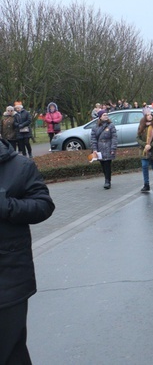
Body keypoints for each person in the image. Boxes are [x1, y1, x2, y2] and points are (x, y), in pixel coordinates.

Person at [0, 136, 55, 364]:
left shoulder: (20, 166)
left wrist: (6, 205)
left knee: (9, 351)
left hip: (8, 277)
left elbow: (44, 205)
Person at [90, 110, 117, 189]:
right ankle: (106, 177)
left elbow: (114, 138)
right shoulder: (95, 127)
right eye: (104, 115)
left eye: (106, 115)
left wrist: (113, 148)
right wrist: (94, 149)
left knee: (107, 164)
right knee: (103, 164)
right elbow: (93, 139)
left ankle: (107, 181)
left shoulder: (111, 125)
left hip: (108, 146)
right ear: (100, 117)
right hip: (100, 148)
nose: (106, 116)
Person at [137, 107, 153, 193]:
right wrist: (145, 145)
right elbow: (137, 137)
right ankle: (146, 184)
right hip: (144, 150)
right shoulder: (141, 126)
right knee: (144, 166)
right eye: (147, 115)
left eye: (150, 115)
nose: (150, 116)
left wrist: (150, 145)